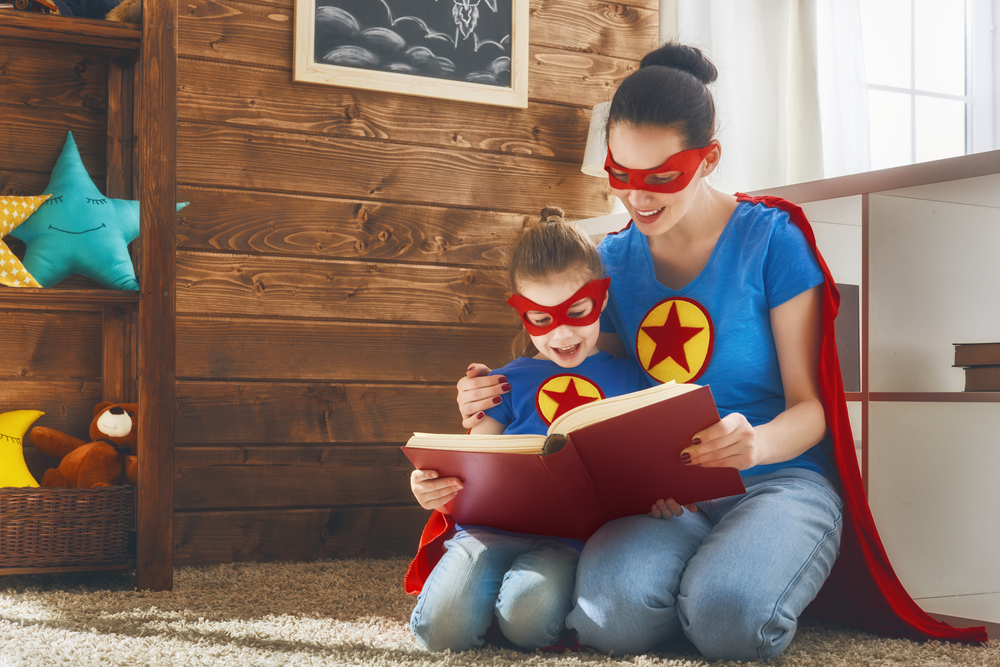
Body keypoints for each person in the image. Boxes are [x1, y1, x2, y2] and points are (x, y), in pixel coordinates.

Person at [454, 43, 987, 660]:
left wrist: (756, 442)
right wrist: (483, 392)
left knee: (729, 623)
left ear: (709, 159)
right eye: (620, 175)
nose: (638, 197)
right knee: (606, 623)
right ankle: (699, 582)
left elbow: (811, 406)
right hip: (667, 497)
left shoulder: (770, 241)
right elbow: (572, 363)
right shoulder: (614, 261)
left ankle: (723, 584)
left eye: (662, 177)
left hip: (779, 478)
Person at [406, 207, 650, 653]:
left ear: (602, 299)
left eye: (577, 311)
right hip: (488, 531)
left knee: (527, 619)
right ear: (521, 313)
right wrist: (429, 483)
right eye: (541, 319)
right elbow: (472, 462)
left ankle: (505, 603)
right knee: (442, 631)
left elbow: (646, 462)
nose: (561, 333)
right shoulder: (502, 382)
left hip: (569, 541)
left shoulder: (631, 379)